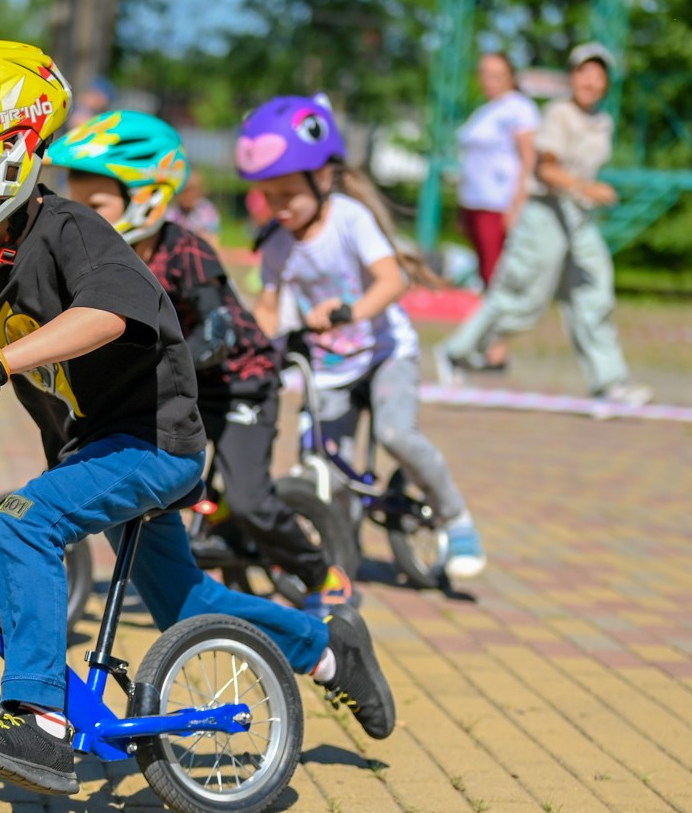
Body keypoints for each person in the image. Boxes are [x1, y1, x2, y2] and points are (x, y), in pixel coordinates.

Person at [0, 41, 397, 796]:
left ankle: (42, 724)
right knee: (186, 603)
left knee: (22, 523)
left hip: (154, 443)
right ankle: (329, 649)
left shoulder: (72, 231)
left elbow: (109, 313)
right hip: (91, 452)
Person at [48, 108, 355, 609]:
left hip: (238, 384)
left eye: (95, 204)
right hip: (174, 387)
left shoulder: (184, 249)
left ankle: (322, 575)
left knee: (252, 502)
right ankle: (191, 549)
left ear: (146, 197)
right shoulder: (96, 259)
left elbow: (218, 333)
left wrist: (149, 374)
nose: (79, 216)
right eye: (74, 203)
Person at [238, 94, 488, 584]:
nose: (278, 207)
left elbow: (393, 280)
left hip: (385, 353)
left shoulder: (349, 219)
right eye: (269, 195)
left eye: (288, 194)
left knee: (396, 435)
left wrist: (349, 312)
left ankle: (457, 519)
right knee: (323, 467)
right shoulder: (277, 244)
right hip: (330, 368)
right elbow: (267, 309)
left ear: (322, 177)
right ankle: (339, 553)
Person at [437, 44, 649, 407]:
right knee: (522, 299)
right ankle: (457, 351)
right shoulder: (557, 115)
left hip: (578, 216)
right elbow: (545, 168)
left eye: (599, 75)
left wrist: (584, 194)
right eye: (584, 73)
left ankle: (609, 382)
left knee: (594, 290)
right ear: (571, 77)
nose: (591, 82)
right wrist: (585, 188)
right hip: (546, 212)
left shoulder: (602, 122)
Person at [456, 53, 540, 287]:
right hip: (474, 199)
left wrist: (518, 203)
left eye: (497, 75)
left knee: (496, 273)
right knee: (484, 271)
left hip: (498, 202)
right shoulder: (485, 110)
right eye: (485, 74)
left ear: (511, 77)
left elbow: (529, 158)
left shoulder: (520, 108)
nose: (489, 81)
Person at [168, 168, 224, 243]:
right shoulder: (171, 213)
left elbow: (214, 241)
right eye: (184, 191)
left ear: (199, 191)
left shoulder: (207, 211)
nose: (188, 195)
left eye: (192, 190)